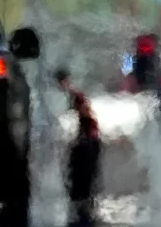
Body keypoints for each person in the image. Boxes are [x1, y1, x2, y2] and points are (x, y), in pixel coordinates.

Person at [55, 68, 102, 226]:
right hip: (85, 143)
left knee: (82, 177)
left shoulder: (75, 97)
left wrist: (81, 139)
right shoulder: (72, 96)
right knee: (80, 178)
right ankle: (82, 208)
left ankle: (83, 210)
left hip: (86, 144)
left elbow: (84, 118)